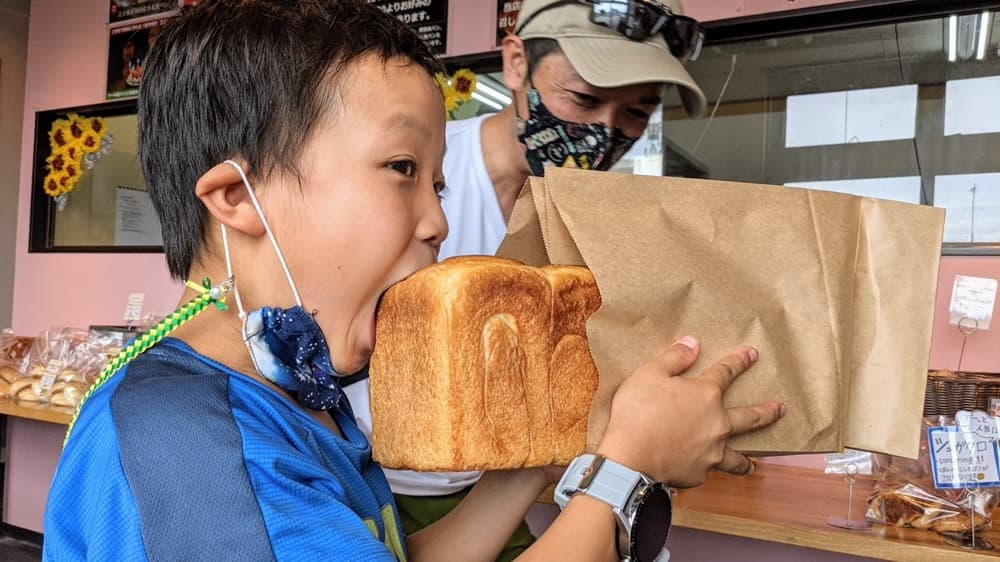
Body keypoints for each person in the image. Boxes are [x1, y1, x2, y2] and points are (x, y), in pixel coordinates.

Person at [43, 1, 784, 560]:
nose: (435, 221)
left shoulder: (300, 399)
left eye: (437, 184)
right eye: (402, 171)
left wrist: (535, 466)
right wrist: (624, 471)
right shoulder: (197, 452)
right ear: (238, 198)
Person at [343, 0, 712, 556]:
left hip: (495, 487)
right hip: (370, 484)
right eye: (583, 98)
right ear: (516, 63)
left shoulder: (597, 223)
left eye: (636, 113)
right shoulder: (412, 179)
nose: (604, 132)